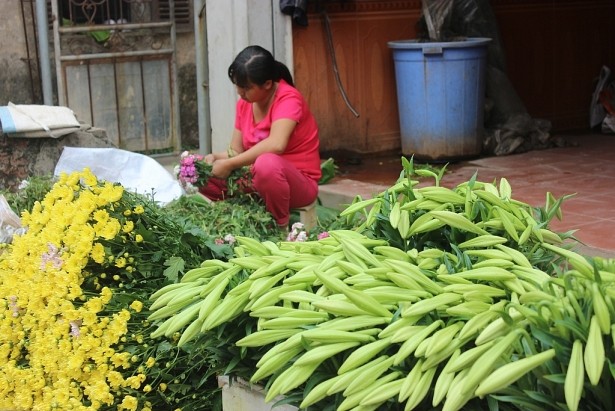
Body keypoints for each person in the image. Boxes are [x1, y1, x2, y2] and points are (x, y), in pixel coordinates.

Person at [200, 45, 321, 229]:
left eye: (246, 88)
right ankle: (241, 218)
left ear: (267, 84)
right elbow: (236, 151)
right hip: (257, 180)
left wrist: (230, 164)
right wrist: (216, 158)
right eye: (238, 86)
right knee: (196, 171)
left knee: (266, 164)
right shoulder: (245, 103)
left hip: (297, 183)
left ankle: (278, 228)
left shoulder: (288, 99)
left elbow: (277, 144)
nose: (240, 93)